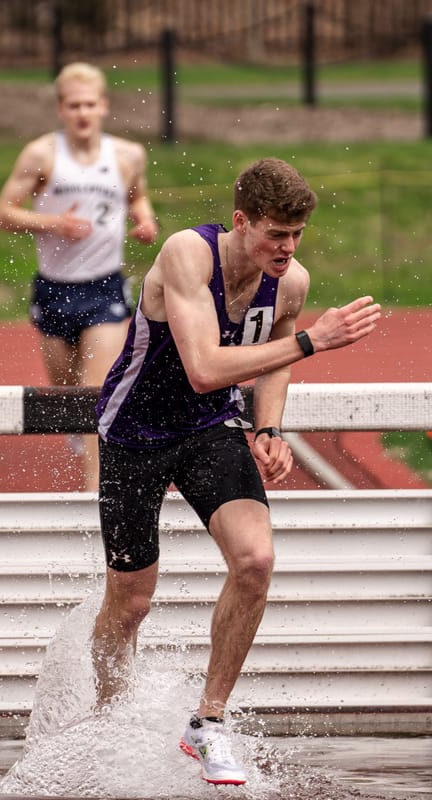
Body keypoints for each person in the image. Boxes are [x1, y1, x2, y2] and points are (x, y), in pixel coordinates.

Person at [91, 157, 382, 786]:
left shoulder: (292, 282)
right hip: (134, 433)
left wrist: (268, 426)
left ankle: (209, 721)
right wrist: (316, 342)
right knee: (132, 601)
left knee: (256, 561)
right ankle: (107, 720)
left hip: (208, 428)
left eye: (298, 234)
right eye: (276, 233)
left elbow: (271, 358)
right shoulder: (186, 255)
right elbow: (203, 367)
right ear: (241, 220)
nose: (288, 248)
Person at [0, 61, 158, 490]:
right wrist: (53, 225)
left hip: (104, 286)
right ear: (61, 109)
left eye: (90, 104)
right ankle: (80, 433)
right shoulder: (41, 154)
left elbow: (138, 196)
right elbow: (4, 214)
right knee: (65, 391)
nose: (83, 113)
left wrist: (145, 221)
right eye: (74, 106)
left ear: (104, 106)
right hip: (54, 288)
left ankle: (96, 493)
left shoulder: (127, 155)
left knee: (94, 394)